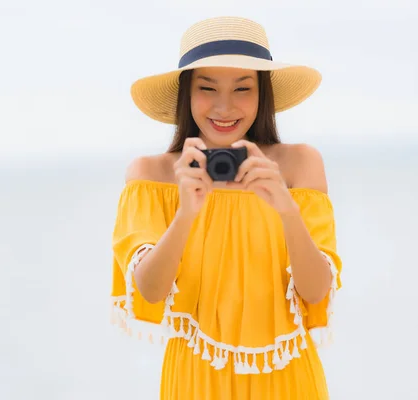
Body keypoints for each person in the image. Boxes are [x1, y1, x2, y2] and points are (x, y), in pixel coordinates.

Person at [109, 16, 343, 399]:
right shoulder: (151, 174)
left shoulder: (300, 163)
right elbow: (150, 291)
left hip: (288, 381)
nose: (224, 105)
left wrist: (285, 208)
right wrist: (186, 212)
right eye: (207, 87)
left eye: (242, 88)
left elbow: (316, 292)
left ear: (261, 94)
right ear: (187, 93)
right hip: (195, 382)